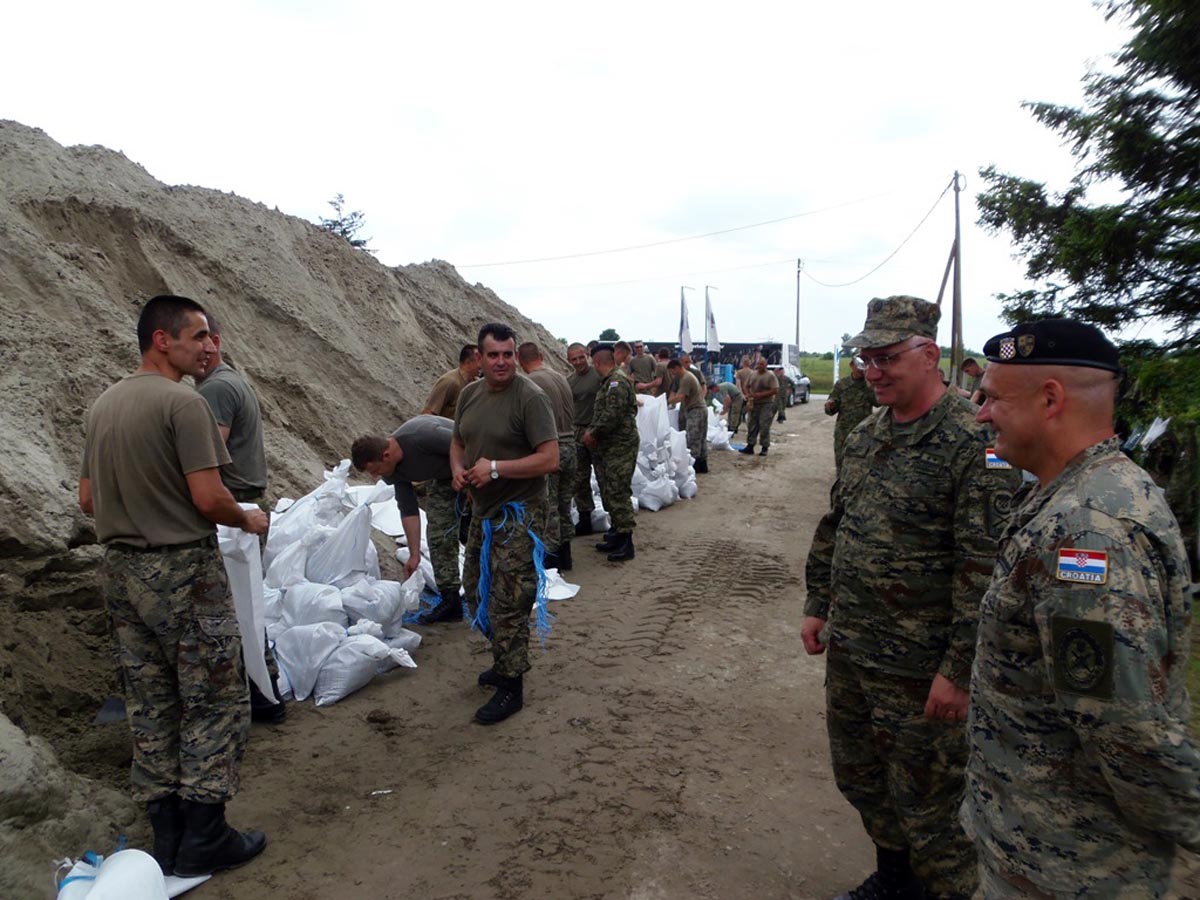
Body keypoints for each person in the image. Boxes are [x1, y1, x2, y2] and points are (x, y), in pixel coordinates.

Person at [964, 319, 1200, 897]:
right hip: (1040, 845)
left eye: (992, 398)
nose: (981, 414)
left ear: (1050, 400)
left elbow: (1126, 731)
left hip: (1070, 865)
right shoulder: (1079, 492)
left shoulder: (1087, 532)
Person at [801, 296, 1019, 900]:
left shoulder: (975, 441)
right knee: (863, 777)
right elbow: (837, 523)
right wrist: (818, 602)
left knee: (932, 801)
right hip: (855, 649)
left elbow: (984, 568)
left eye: (886, 358)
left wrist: (958, 669)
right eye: (865, 358)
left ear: (929, 355)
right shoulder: (868, 433)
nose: (872, 371)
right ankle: (895, 881)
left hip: (922, 668)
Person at [79, 295, 269, 879]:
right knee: (214, 699)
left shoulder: (104, 405)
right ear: (163, 341)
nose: (209, 346)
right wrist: (247, 518)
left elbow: (87, 500)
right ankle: (206, 835)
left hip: (121, 570)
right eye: (199, 335)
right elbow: (209, 498)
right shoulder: (183, 403)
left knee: (151, 700)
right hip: (183, 569)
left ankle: (166, 835)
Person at [451, 323, 558, 725]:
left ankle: (512, 684)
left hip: (520, 511)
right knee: (476, 592)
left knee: (510, 601)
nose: (501, 362)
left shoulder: (530, 398)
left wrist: (495, 468)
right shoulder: (469, 394)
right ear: (479, 358)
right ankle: (503, 659)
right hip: (483, 511)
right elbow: (458, 442)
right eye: (493, 355)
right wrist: (458, 470)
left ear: (516, 356)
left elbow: (550, 459)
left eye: (508, 355)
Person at [193, 311, 285, 725]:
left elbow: (207, 456)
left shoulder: (216, 389)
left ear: (213, 341)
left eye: (203, 339)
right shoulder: (228, 382)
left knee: (233, 609)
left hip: (234, 509)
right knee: (245, 606)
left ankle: (260, 695)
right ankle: (265, 689)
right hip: (243, 505)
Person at [350, 415, 464, 624]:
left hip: (478, 465)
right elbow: (408, 510)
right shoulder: (391, 470)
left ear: (386, 455)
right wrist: (414, 555)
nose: (376, 477)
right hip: (446, 478)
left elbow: (469, 444)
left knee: (480, 529)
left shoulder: (422, 436)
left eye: (375, 471)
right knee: (439, 533)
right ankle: (451, 600)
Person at [518, 341, 578, 571]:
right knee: (564, 503)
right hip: (570, 445)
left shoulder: (530, 383)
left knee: (549, 506)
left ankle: (552, 560)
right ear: (541, 355)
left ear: (519, 360)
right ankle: (566, 554)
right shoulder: (560, 377)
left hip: (551, 448)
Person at [583, 345, 639, 561]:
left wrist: (593, 432)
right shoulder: (609, 382)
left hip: (620, 446)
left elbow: (612, 414)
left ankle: (626, 541)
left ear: (597, 362)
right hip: (610, 446)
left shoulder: (617, 382)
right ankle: (617, 532)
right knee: (609, 490)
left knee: (618, 491)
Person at [567, 342, 604, 537]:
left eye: (581, 357)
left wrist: (597, 430)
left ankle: (615, 519)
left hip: (597, 431)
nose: (578, 362)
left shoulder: (599, 376)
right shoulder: (569, 381)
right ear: (569, 361)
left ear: (587, 356)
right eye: (574, 359)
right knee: (579, 477)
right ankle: (585, 517)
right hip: (578, 431)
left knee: (603, 476)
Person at [824, 364, 876, 475]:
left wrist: (869, 384)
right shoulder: (842, 384)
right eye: (859, 365)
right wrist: (830, 406)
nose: (861, 368)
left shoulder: (869, 384)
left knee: (863, 463)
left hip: (864, 431)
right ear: (852, 365)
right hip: (844, 431)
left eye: (864, 365)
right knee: (841, 462)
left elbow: (878, 402)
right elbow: (830, 409)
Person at [667, 359, 708, 474]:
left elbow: (681, 397)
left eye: (672, 371)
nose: (672, 374)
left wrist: (667, 401)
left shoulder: (686, 378)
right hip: (699, 409)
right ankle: (702, 465)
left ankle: (694, 466)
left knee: (693, 438)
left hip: (696, 410)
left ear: (676, 368)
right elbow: (675, 392)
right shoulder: (683, 377)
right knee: (701, 438)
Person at [422, 344, 481, 419]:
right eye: (479, 359)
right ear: (468, 363)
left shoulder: (477, 385)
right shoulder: (449, 382)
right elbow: (428, 414)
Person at [739, 359, 778, 456]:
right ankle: (750, 446)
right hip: (754, 403)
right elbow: (746, 386)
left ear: (766, 365)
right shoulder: (753, 374)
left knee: (764, 425)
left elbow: (775, 390)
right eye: (758, 364)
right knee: (752, 425)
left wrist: (761, 395)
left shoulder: (770, 375)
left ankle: (764, 447)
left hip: (766, 404)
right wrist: (748, 395)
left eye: (762, 364)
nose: (760, 366)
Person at [734, 356, 755, 433]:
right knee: (751, 413)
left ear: (743, 363)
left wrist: (741, 394)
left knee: (737, 412)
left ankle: (735, 428)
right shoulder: (753, 373)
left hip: (741, 395)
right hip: (750, 395)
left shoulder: (739, 372)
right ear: (749, 364)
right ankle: (751, 429)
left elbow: (738, 384)